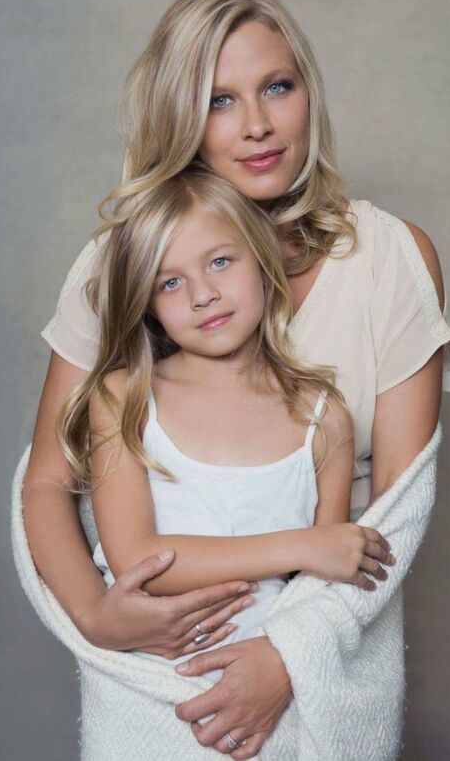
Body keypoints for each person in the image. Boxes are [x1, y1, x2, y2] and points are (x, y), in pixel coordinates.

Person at [22, 0, 450, 759]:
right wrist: (95, 616)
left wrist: (289, 656)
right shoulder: (122, 262)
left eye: (277, 87)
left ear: (308, 94)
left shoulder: (390, 256)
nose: (257, 124)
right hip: (160, 663)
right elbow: (49, 482)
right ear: (179, 118)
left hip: (331, 638)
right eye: (218, 100)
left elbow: (394, 511)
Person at [63, 168, 393, 703]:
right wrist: (302, 546)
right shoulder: (123, 399)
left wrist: (316, 559)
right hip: (148, 687)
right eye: (170, 283)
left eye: (220, 261)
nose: (203, 295)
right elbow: (138, 561)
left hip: (275, 688)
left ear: (261, 259)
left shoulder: (323, 417)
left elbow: (323, 585)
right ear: (148, 305)